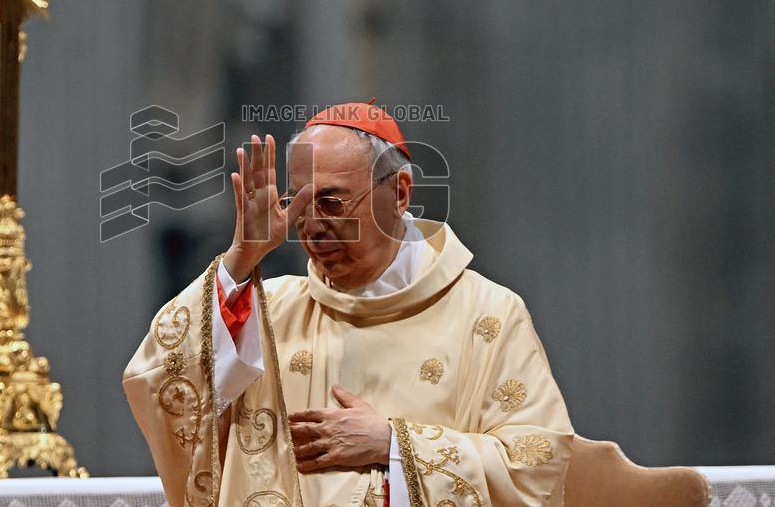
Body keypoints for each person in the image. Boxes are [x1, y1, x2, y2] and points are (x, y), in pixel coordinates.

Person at [123, 102, 573, 507]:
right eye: (298, 205)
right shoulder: (267, 311)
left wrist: (394, 444)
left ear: (399, 193)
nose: (312, 227)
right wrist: (242, 258)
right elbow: (160, 381)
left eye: (332, 202)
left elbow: (535, 466)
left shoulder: (487, 315)